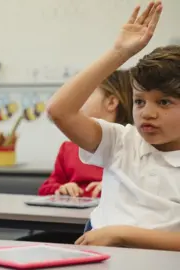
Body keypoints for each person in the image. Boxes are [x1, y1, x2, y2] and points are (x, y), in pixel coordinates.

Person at [48, 1, 180, 250]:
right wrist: (120, 52)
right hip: (104, 259)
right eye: (139, 101)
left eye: (164, 102)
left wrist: (123, 234)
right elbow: (59, 111)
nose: (147, 113)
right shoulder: (120, 140)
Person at [38, 70, 133, 198]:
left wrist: (115, 187)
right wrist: (60, 189)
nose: (75, 102)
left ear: (111, 102)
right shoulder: (68, 149)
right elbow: (45, 189)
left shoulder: (133, 146)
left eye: (85, 95)